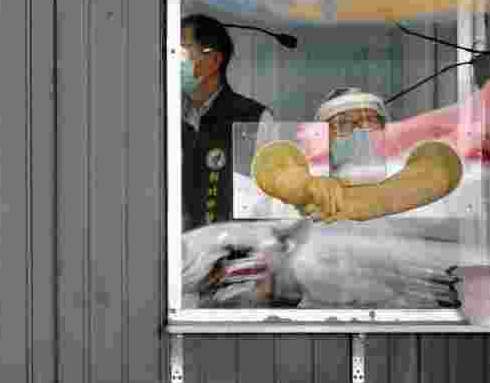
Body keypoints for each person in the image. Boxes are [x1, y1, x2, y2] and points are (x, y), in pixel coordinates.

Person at [252, 87, 463, 222]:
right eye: (343, 124)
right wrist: (304, 187)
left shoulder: (404, 173)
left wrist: (373, 200)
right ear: (322, 136)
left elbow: (442, 162)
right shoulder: (306, 191)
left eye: (370, 121)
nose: (360, 131)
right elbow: (271, 162)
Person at [180, 13, 276, 230]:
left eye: (182, 51)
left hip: (228, 251)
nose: (172, 60)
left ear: (213, 60)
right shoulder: (163, 119)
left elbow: (269, 207)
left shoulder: (254, 120)